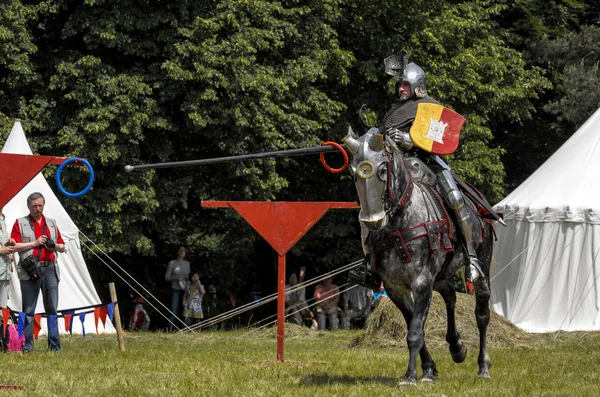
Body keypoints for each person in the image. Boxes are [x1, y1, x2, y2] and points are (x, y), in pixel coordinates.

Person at [349, 51, 484, 286]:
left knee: (454, 197)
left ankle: (472, 258)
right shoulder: (393, 113)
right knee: (370, 207)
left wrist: (407, 139)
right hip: (398, 169)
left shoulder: (431, 107)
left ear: (417, 86)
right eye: (399, 84)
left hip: (427, 164)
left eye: (405, 84)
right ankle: (370, 266)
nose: (400, 89)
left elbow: (438, 139)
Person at [11, 192, 66, 352]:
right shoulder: (20, 223)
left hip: (50, 268)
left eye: (40, 205)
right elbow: (14, 246)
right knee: (28, 310)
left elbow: (62, 246)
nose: (38, 208)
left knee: (52, 309)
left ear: (44, 205)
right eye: (34, 206)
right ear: (28, 206)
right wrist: (34, 243)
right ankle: (27, 348)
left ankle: (55, 347)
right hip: (30, 270)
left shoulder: (52, 223)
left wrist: (54, 245)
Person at [164, 246, 190, 331]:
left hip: (185, 289)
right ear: (177, 251)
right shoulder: (172, 263)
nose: (182, 252)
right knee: (174, 310)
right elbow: (167, 277)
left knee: (185, 310)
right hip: (176, 289)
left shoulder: (187, 263)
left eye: (184, 250)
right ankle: (170, 328)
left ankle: (184, 328)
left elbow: (189, 276)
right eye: (180, 250)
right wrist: (175, 278)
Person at [0, 209, 16, 310]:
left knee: (3, 308)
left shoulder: (2, 219)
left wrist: (10, 246)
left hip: (5, 269)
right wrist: (1, 250)